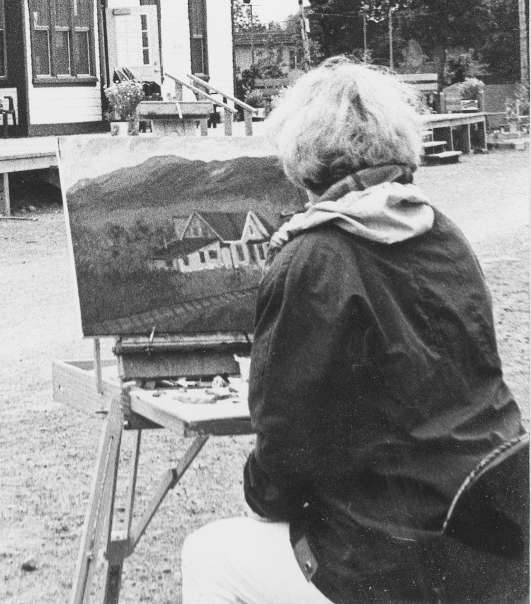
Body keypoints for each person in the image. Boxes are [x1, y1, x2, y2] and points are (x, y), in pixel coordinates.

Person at [181, 58, 524, 604]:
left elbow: (285, 456)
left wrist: (262, 498)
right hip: (489, 536)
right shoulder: (445, 233)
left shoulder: (311, 257)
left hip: (395, 558)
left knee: (208, 552)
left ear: (302, 160)